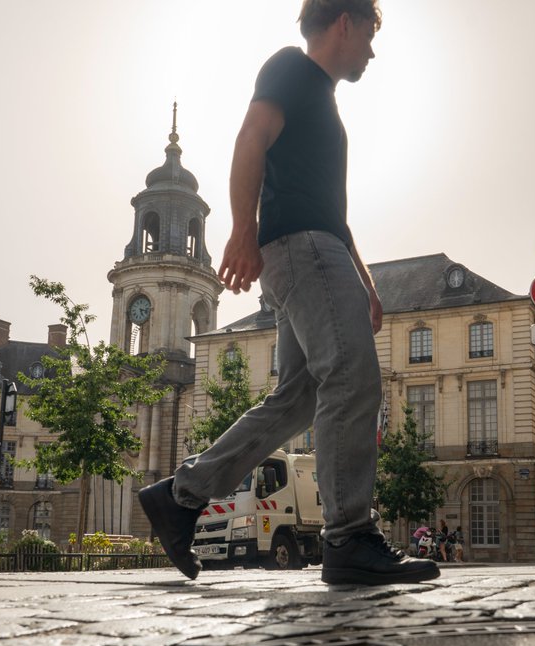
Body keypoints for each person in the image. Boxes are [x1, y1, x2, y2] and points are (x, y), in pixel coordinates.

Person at [138, 0, 438, 586]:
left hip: (321, 251)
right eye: (370, 37)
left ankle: (181, 495)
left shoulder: (323, 104)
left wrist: (367, 286)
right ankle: (349, 537)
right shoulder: (291, 69)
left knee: (299, 398)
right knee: (352, 378)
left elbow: (335, 214)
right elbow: (251, 136)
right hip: (300, 250)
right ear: (344, 23)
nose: (372, 52)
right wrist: (242, 230)